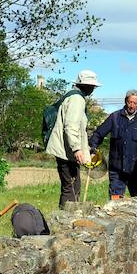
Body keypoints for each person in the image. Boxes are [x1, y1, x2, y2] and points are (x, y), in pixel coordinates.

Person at [46, 69, 100, 208]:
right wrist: (77, 149)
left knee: (70, 186)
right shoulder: (77, 99)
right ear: (86, 85)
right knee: (71, 188)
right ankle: (66, 222)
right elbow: (71, 126)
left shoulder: (72, 96)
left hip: (66, 150)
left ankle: (66, 220)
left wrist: (85, 148)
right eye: (92, 86)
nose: (93, 89)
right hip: (67, 152)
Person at [88, 89, 137, 200]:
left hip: (135, 170)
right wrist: (92, 147)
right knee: (115, 201)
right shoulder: (114, 117)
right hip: (116, 169)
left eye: (135, 103)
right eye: (130, 102)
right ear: (125, 101)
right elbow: (99, 133)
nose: (131, 105)